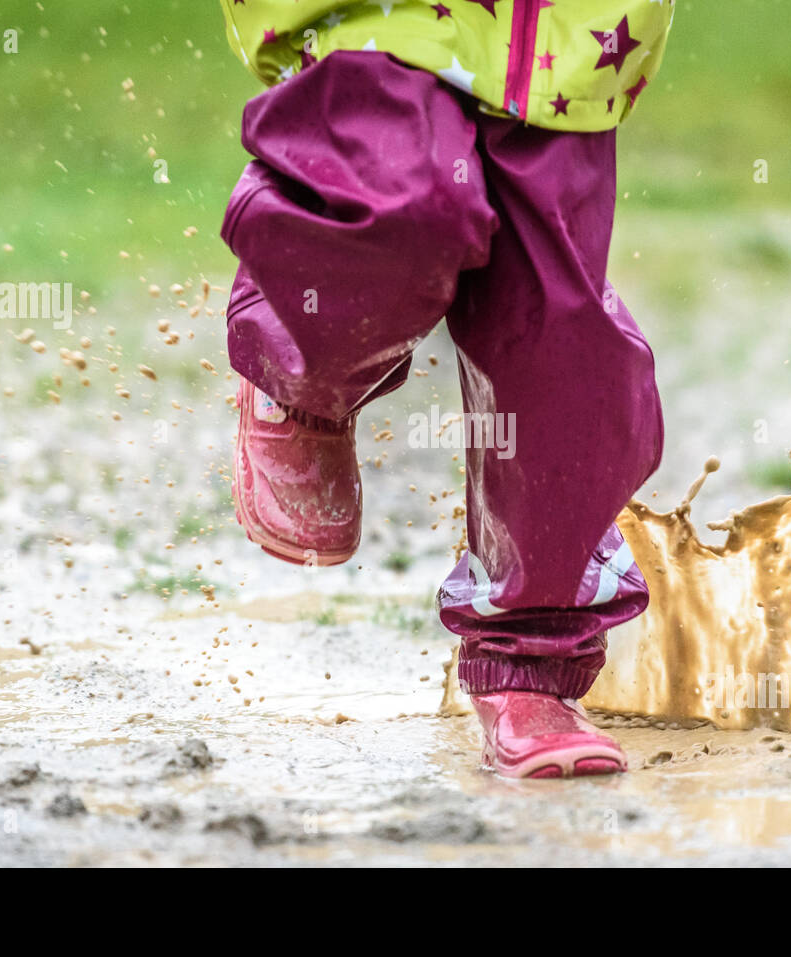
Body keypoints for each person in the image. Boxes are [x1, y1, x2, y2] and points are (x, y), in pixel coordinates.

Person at [218, 0, 672, 777]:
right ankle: (302, 372)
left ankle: (530, 661)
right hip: (378, 14)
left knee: (558, 338)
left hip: (567, 37)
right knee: (395, 198)